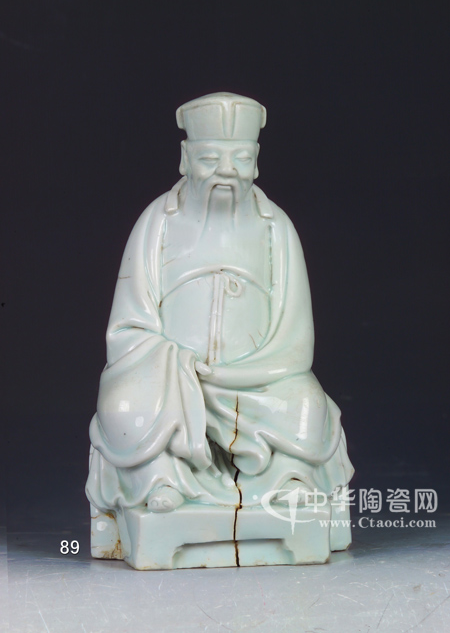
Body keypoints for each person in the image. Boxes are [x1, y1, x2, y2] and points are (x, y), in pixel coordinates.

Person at [86, 92, 353, 520]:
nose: (226, 170)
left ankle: (288, 478)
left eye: (240, 158)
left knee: (306, 403)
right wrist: (179, 367)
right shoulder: (157, 223)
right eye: (210, 159)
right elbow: (128, 325)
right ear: (185, 159)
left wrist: (238, 373)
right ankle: (162, 479)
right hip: (171, 379)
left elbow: (296, 339)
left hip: (255, 381)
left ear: (256, 163)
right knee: (123, 408)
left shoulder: (276, 229)